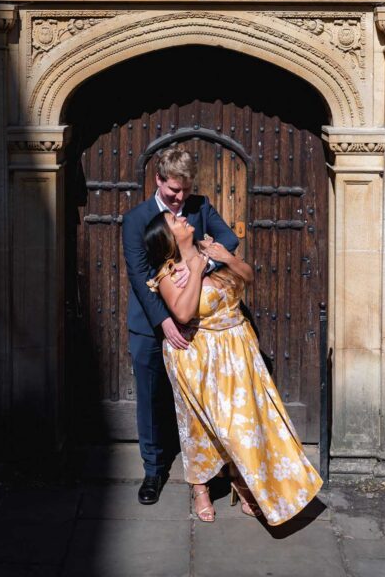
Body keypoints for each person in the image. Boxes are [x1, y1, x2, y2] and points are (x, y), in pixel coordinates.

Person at [144, 210, 323, 526]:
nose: (182, 218)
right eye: (175, 221)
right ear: (168, 238)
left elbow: (247, 276)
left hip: (238, 348)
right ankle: (201, 489)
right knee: (201, 425)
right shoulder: (170, 273)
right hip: (199, 354)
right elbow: (184, 314)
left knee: (250, 423)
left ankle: (254, 485)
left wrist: (225, 256)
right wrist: (197, 269)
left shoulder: (210, 250)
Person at [122, 146, 239, 505]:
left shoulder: (200, 207)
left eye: (185, 191)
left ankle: (214, 471)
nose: (180, 199)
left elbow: (230, 241)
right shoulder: (136, 219)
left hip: (197, 324)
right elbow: (140, 275)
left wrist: (200, 261)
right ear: (158, 180)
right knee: (152, 398)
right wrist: (164, 320)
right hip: (150, 325)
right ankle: (154, 470)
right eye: (173, 190)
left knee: (206, 397)